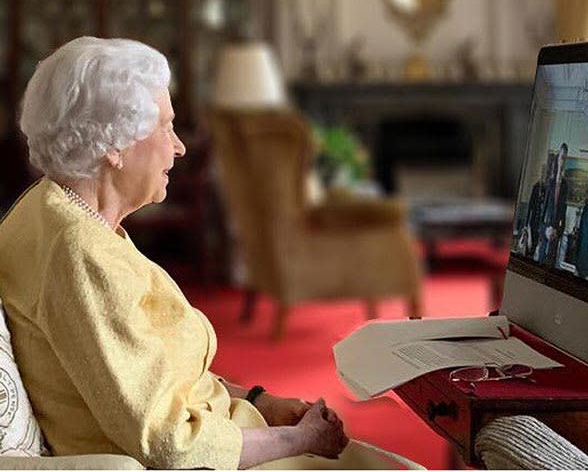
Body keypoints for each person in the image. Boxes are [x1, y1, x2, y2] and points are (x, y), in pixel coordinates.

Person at [0, 37, 349, 469]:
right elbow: (169, 443)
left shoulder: (47, 209)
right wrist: (299, 439)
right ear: (115, 146)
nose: (178, 146)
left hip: (226, 426)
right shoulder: (79, 254)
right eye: (165, 126)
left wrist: (261, 400)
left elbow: (153, 376)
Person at [540, 143, 569, 267]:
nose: (562, 160)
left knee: (550, 267)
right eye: (561, 156)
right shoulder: (550, 182)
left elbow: (563, 214)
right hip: (546, 232)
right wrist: (545, 230)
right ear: (558, 158)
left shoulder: (565, 186)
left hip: (555, 236)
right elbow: (543, 210)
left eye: (565, 158)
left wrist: (559, 232)